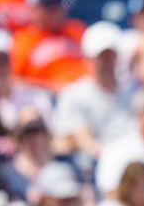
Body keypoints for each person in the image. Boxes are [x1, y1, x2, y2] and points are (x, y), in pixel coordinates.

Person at [54, 21, 135, 160]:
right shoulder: (73, 95)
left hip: (132, 161)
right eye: (101, 56)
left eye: (110, 55)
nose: (106, 61)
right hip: (95, 164)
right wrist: (115, 161)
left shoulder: (132, 91)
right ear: (88, 58)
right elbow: (85, 141)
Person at [10, 0, 89, 91]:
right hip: (45, 100)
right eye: (49, 8)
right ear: (34, 8)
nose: (56, 12)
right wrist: (50, 86)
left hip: (84, 93)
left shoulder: (77, 30)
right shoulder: (23, 40)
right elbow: (13, 81)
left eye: (59, 6)